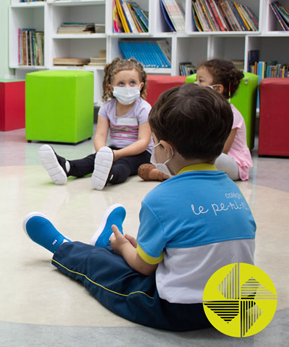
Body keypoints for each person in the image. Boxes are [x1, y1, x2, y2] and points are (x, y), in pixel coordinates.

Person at [23, 83, 256, 331]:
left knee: (103, 269)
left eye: (154, 144)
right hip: (237, 309)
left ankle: (65, 247)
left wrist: (125, 249)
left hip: (181, 311)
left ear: (165, 149)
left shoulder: (161, 198)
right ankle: (109, 244)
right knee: (136, 253)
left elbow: (145, 267)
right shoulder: (236, 193)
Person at [39, 58, 152, 190]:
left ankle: (109, 175)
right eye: (121, 83)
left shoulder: (144, 108)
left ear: (141, 85)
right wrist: (102, 153)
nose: (127, 87)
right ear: (111, 87)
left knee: (124, 164)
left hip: (141, 154)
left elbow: (143, 141)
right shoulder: (107, 108)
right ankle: (67, 167)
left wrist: (117, 155)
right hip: (114, 150)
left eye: (132, 83)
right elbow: (100, 135)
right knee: (91, 160)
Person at [139, 59, 253, 182]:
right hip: (206, 157)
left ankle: (167, 174)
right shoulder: (203, 111)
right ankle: (175, 171)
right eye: (196, 79)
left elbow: (221, 150)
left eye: (201, 80)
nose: (195, 83)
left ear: (218, 88)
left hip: (232, 162)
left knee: (199, 155)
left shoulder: (232, 114)